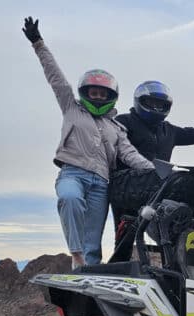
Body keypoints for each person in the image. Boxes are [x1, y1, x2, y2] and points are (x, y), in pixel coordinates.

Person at [22, 17, 154, 268]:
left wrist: (156, 171)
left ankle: (87, 291)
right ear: (85, 93)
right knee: (69, 198)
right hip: (72, 172)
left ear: (110, 96)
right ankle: (76, 255)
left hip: (101, 184)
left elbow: (130, 155)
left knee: (93, 243)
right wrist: (38, 43)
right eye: (93, 92)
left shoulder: (116, 128)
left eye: (102, 93)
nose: (97, 96)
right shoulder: (72, 108)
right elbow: (56, 78)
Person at [108, 82, 194, 260]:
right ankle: (118, 268)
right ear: (140, 101)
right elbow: (104, 143)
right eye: (151, 103)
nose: (156, 107)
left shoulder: (168, 130)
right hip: (127, 186)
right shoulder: (123, 122)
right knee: (126, 235)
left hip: (159, 187)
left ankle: (180, 254)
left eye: (160, 105)